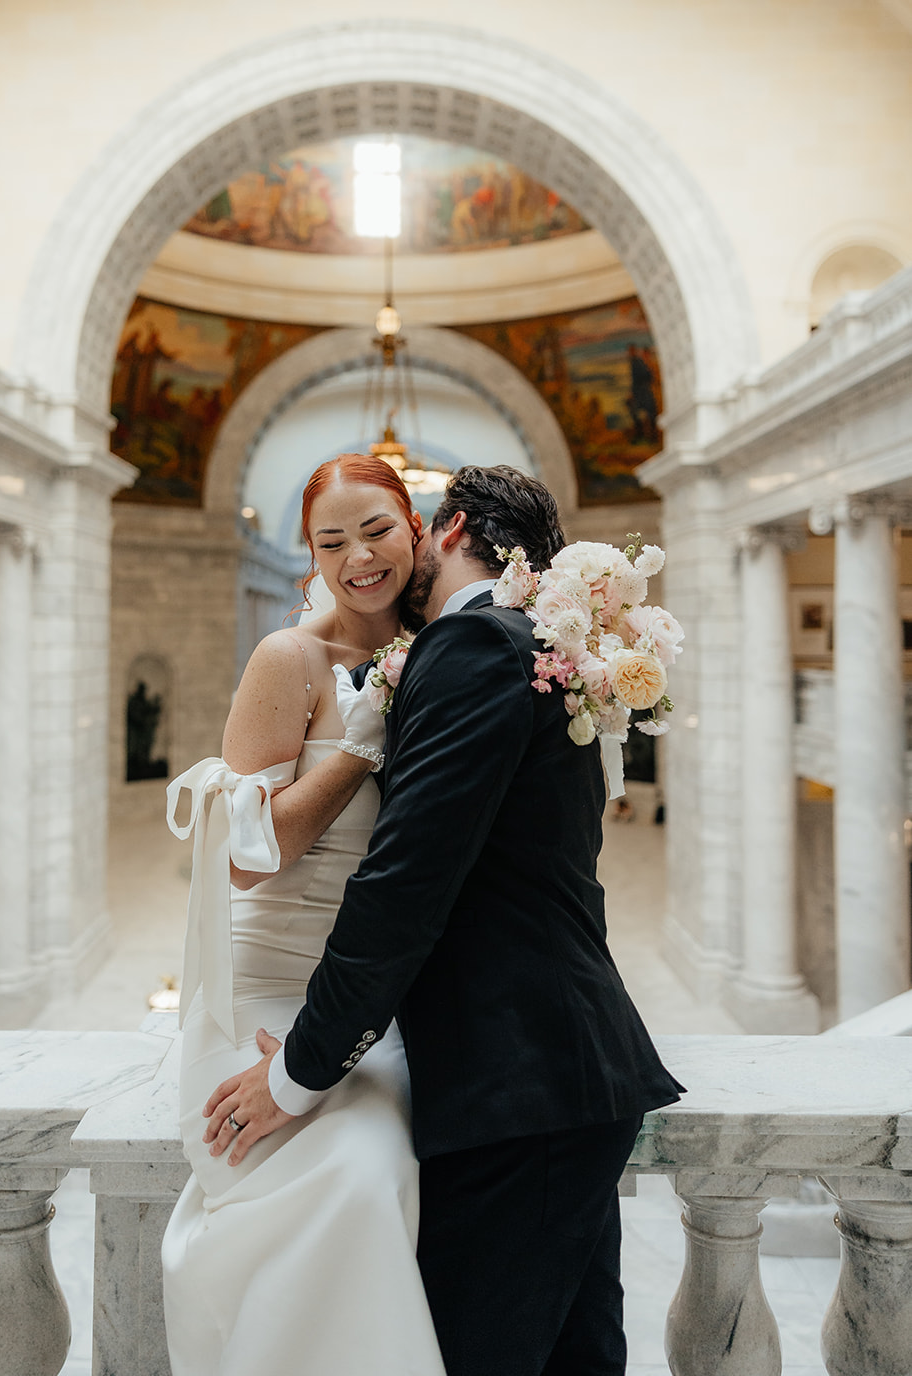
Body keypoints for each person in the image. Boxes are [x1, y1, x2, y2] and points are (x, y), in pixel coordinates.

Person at [204, 464, 685, 1376]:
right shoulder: (532, 651)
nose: (380, 555)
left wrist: (301, 1071)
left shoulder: (471, 650)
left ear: (444, 528)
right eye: (331, 543)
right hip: (560, 1077)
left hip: (521, 1084)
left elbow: (402, 888)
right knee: (578, 1360)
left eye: (396, 530)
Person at [160, 453, 446, 1376]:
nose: (359, 558)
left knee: (392, 1169)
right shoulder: (290, 658)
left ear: (414, 526)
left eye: (376, 531)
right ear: (309, 556)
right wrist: (359, 749)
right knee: (353, 1184)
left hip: (372, 997)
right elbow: (250, 860)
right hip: (270, 988)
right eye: (332, 542)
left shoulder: (449, 645)